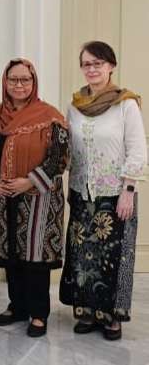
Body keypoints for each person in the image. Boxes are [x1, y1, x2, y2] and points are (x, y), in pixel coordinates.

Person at [59, 41, 146, 341]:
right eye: (86, 64)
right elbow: (68, 147)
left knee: (113, 257)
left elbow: (138, 149)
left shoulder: (126, 103)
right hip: (82, 192)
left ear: (111, 66)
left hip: (115, 193)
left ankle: (112, 318)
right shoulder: (74, 105)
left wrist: (129, 190)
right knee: (84, 255)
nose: (92, 69)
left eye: (98, 63)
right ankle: (87, 311)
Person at [0, 58, 68, 337]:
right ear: (5, 82)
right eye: (13, 79)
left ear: (34, 83)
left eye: (25, 80)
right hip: (2, 196)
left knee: (35, 259)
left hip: (39, 199)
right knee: (11, 257)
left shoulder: (50, 116)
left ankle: (38, 314)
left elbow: (60, 159)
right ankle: (17, 307)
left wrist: (28, 181)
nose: (19, 85)